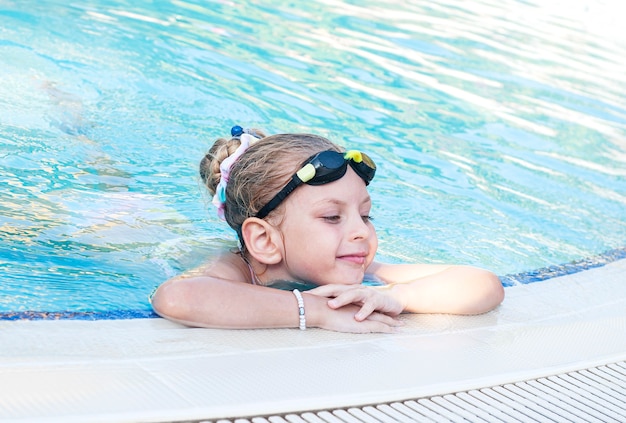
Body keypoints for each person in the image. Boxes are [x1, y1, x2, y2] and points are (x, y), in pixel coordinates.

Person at [151, 126, 504, 333]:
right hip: (147, 241)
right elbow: (176, 298)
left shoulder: (357, 268)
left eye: (365, 216)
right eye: (333, 218)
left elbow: (482, 283)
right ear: (264, 240)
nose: (361, 233)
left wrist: (397, 296)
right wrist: (314, 311)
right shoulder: (232, 271)